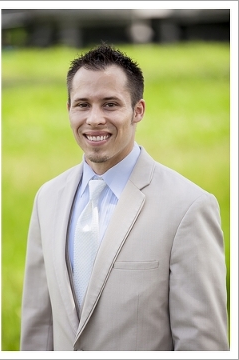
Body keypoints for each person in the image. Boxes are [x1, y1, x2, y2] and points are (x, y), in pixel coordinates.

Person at [19, 44, 228, 351]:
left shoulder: (188, 207)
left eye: (110, 104)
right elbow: (39, 326)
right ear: (68, 109)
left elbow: (202, 344)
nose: (94, 119)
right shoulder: (47, 198)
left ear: (137, 111)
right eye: (82, 105)